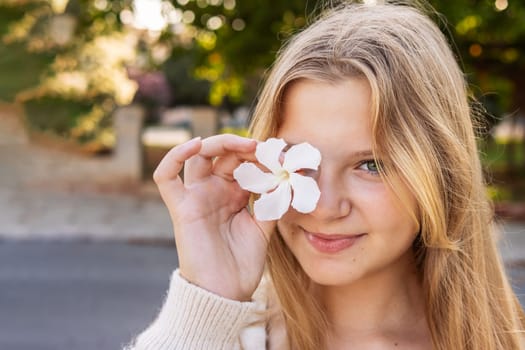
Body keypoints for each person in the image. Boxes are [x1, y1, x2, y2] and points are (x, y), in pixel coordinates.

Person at [126, 1, 525, 349]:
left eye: (372, 165)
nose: (323, 206)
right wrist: (208, 299)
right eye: (300, 164)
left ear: (440, 172)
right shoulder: (225, 337)